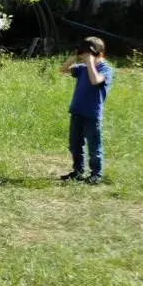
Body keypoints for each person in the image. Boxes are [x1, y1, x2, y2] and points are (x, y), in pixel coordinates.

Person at [60, 36, 113, 184]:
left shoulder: (106, 70)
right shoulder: (83, 69)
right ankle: (78, 171)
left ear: (99, 54)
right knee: (75, 145)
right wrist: (75, 56)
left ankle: (96, 174)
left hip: (92, 115)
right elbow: (63, 69)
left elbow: (95, 80)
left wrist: (90, 62)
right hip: (77, 112)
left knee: (94, 147)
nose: (85, 58)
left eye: (87, 55)